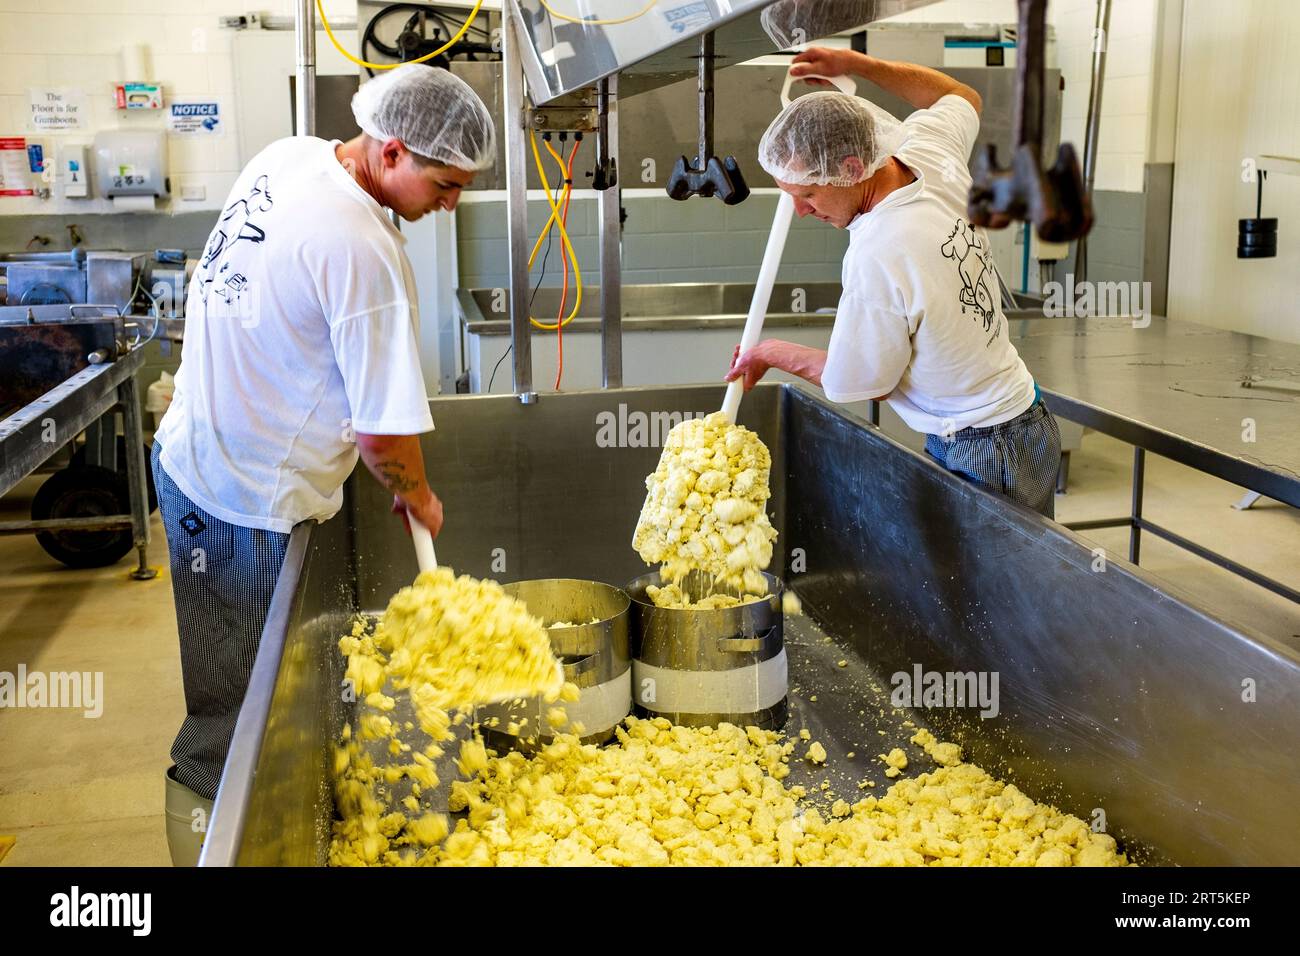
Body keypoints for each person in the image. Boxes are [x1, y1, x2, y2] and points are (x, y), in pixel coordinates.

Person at [152, 63, 495, 865]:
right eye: (444, 185)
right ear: (393, 150)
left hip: (195, 455)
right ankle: (212, 849)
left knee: (249, 694)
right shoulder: (364, 253)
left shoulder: (291, 155)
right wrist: (419, 496)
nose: (451, 205)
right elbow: (382, 435)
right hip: (245, 501)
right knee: (230, 717)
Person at [727, 47, 1061, 518]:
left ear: (849, 168)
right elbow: (960, 95)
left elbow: (867, 382)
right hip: (1027, 419)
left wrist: (772, 352)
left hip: (983, 448)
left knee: (981, 591)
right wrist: (859, 64)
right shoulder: (927, 151)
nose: (802, 211)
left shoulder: (879, 251)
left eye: (808, 193)